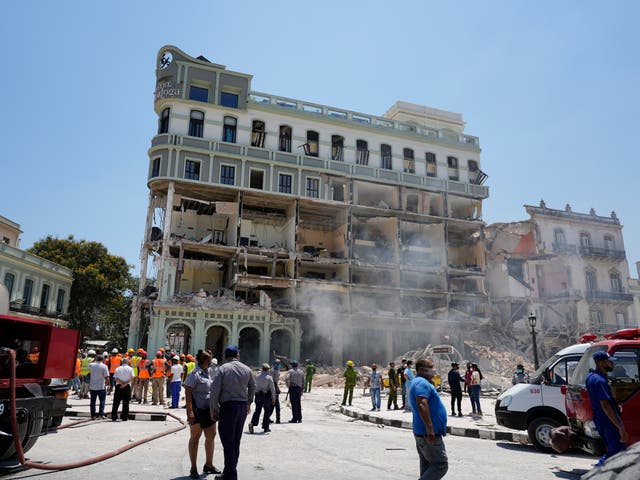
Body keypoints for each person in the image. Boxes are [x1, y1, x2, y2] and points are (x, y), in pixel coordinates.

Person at [210, 345, 255, 480]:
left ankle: (230, 475)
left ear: (226, 356)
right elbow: (253, 386)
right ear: (237, 355)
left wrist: (214, 409)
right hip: (241, 407)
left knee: (227, 441)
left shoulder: (222, 369)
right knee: (235, 441)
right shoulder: (247, 369)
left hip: (228, 407)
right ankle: (229, 471)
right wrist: (248, 402)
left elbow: (214, 391)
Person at [586, 351, 627, 467]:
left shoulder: (591, 376)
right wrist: (620, 427)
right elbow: (606, 406)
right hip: (607, 419)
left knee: (614, 451)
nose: (612, 364)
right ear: (601, 363)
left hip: (600, 418)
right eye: (610, 362)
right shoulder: (600, 381)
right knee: (616, 452)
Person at [410, 357, 448, 480]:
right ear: (422, 369)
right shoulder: (422, 383)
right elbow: (422, 404)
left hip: (421, 432)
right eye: (431, 367)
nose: (434, 370)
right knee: (440, 465)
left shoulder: (418, 382)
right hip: (428, 434)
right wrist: (430, 429)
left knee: (427, 465)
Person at [185, 350, 221, 479]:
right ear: (205, 361)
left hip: (209, 411)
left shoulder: (208, 373)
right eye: (209, 360)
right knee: (195, 438)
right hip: (197, 411)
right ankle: (193, 468)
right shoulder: (194, 374)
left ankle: (209, 465)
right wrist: (190, 411)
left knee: (211, 436)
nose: (211, 362)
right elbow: (188, 393)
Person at [249, 363, 276, 433]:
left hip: (258, 396)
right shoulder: (269, 378)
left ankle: (252, 423)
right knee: (267, 411)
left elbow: (253, 386)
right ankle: (265, 427)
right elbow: (272, 389)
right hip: (266, 396)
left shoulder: (256, 376)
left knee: (257, 410)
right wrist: (274, 398)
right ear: (268, 370)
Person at [111, 357, 134, 421]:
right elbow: (132, 378)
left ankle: (114, 416)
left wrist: (121, 383)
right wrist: (125, 384)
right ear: (127, 362)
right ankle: (124, 417)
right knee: (126, 403)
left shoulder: (118, 368)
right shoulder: (130, 369)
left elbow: (115, 378)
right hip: (126, 387)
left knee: (116, 402)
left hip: (119, 386)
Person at [88, 354, 110, 419]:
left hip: (92, 386)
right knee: (102, 401)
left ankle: (93, 415)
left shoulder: (92, 365)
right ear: (103, 359)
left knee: (92, 402)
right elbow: (106, 377)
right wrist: (108, 384)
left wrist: (95, 359)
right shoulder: (104, 366)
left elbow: (89, 364)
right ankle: (101, 414)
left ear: (96, 359)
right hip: (101, 386)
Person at [268, 359, 282, 424]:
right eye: (277, 364)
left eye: (279, 364)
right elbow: (272, 381)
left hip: (275, 387)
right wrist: (276, 388)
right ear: (275, 364)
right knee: (275, 405)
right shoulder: (272, 371)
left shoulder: (277, 370)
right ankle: (277, 419)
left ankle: (269, 418)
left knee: (273, 405)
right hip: (273, 388)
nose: (278, 365)